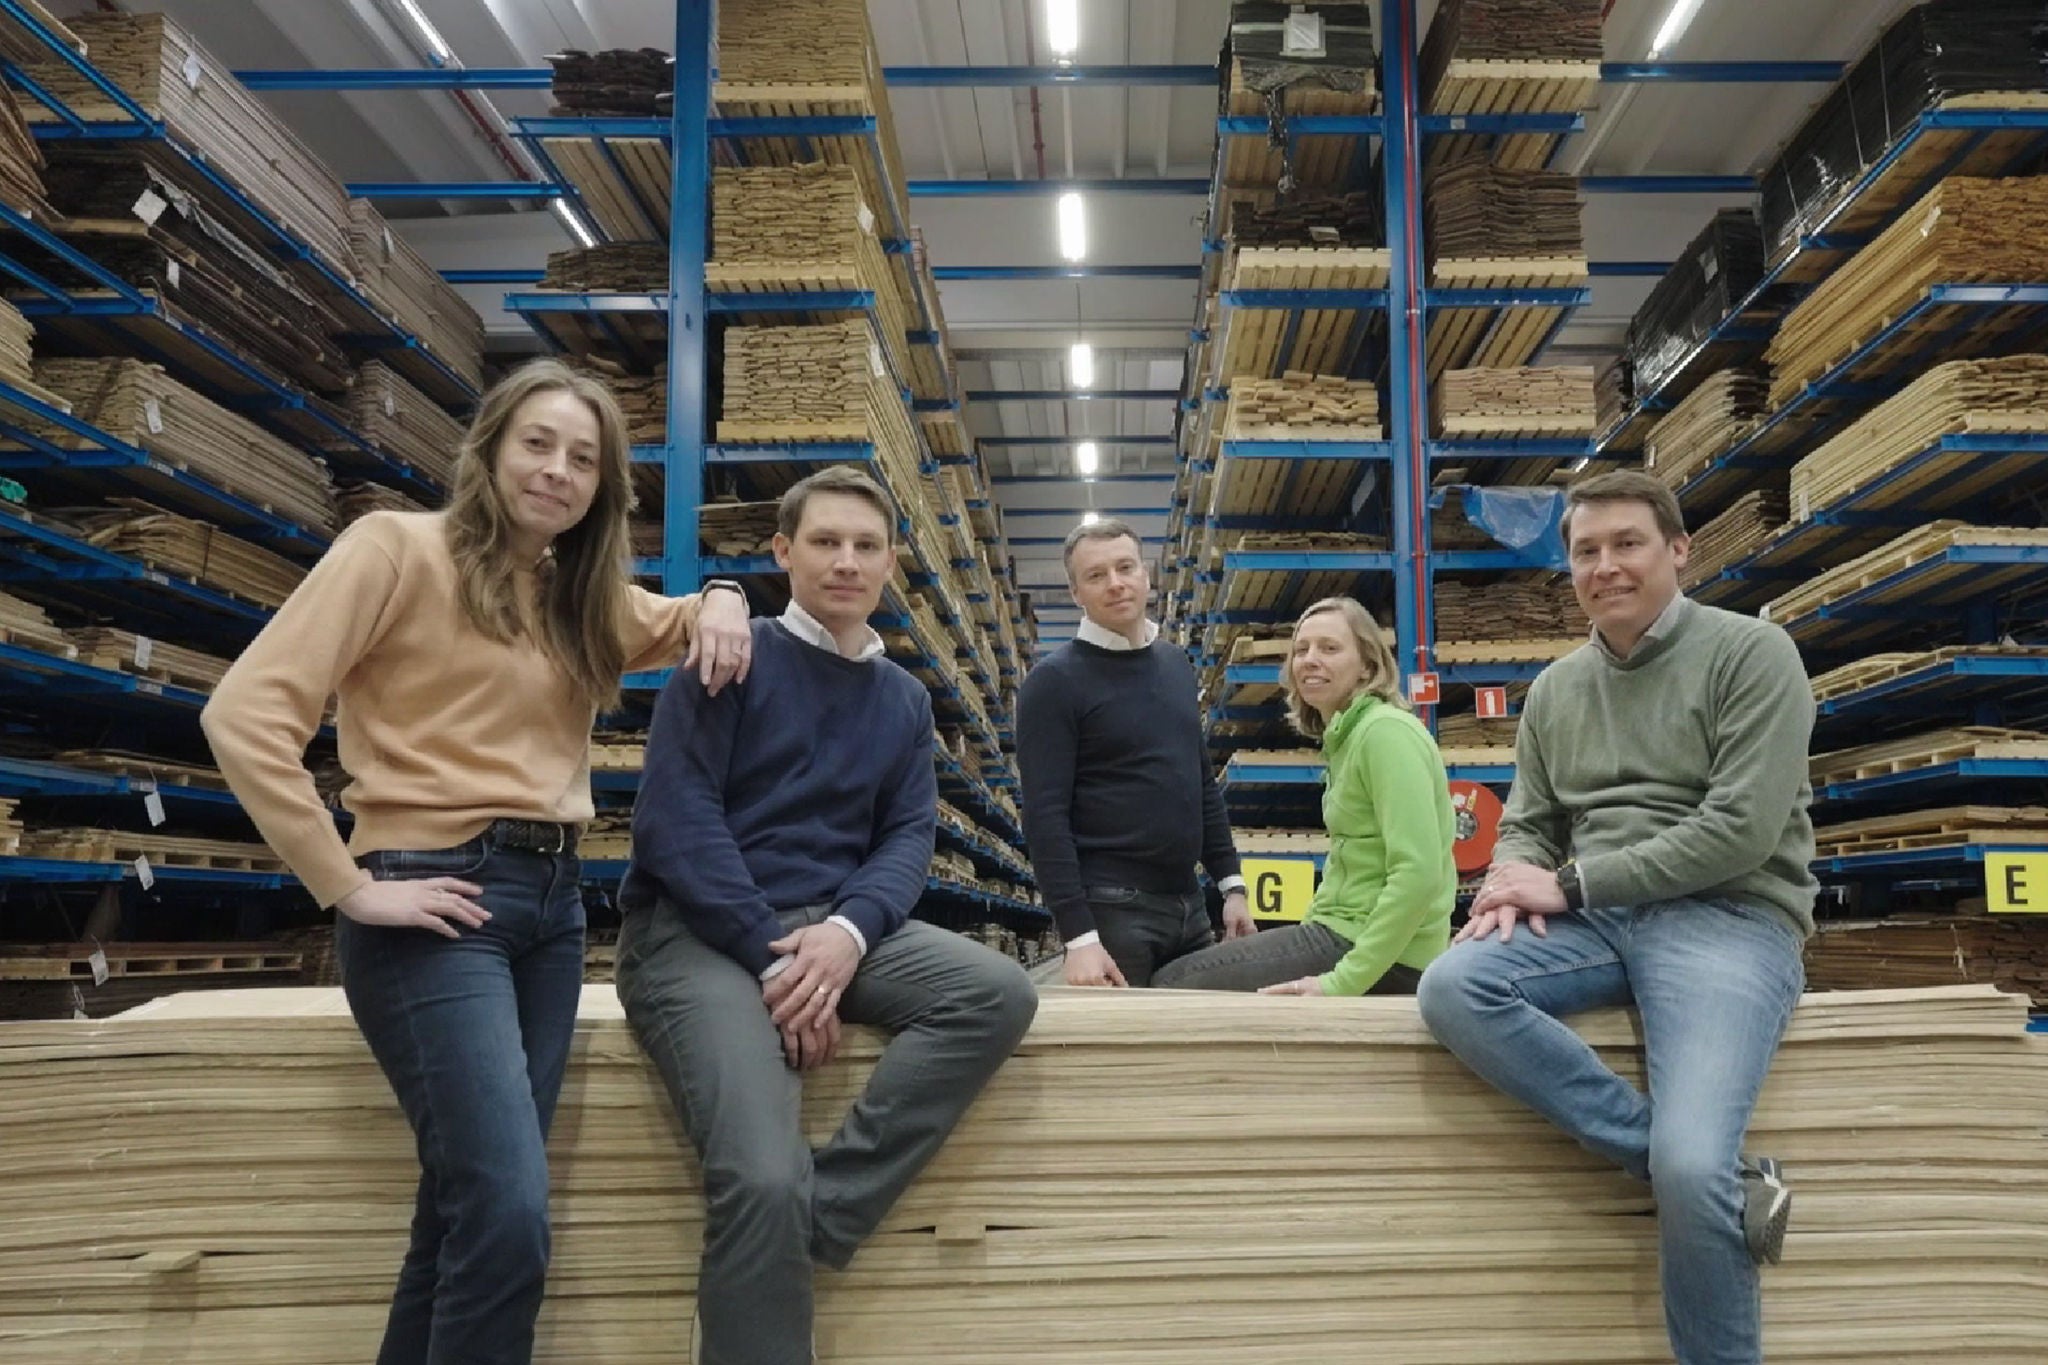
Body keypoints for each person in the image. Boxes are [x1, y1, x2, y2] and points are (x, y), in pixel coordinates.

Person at [201, 358, 753, 1365]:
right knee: (504, 1216)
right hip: (433, 896)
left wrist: (720, 590)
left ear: (602, 487)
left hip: (548, 911)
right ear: (490, 448)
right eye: (536, 444)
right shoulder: (393, 550)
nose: (556, 471)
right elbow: (244, 715)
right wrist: (346, 884)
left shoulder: (576, 595)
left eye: (583, 459)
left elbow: (676, 621)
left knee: (457, 1216)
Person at [614, 464, 1038, 1365]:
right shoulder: (732, 656)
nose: (846, 562)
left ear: (890, 563)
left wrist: (846, 937)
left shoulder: (904, 699)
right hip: (697, 931)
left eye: (866, 546)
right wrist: (778, 959)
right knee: (758, 1176)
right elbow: (674, 822)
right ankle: (774, 1232)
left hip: (824, 927)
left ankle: (819, 1213)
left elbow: (905, 841)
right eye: (824, 542)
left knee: (995, 992)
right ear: (782, 551)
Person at [1415, 470, 1815, 1365]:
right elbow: (1529, 816)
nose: (1606, 566)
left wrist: (1573, 884)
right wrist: (1510, 880)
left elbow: (1740, 832)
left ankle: (1695, 1180)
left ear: (1679, 550)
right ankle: (1720, 1182)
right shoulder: (1557, 689)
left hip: (1729, 916)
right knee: (1452, 987)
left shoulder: (1753, 655)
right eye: (1585, 551)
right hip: (1600, 918)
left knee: (1689, 1161)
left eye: (1627, 542)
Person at [1154, 596, 1455, 995]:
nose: (1310, 660)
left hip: (1383, 951)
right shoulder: (1346, 736)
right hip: (1346, 932)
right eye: (1301, 649)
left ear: (1368, 664)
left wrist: (1341, 983)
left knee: (1172, 983)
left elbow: (1418, 874)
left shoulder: (1385, 734)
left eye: (1330, 648)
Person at [1016, 517, 1252, 988]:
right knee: (1120, 1054)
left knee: (1192, 1048)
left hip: (1191, 905)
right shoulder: (1054, 683)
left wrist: (1232, 885)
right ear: (1075, 592)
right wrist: (1079, 936)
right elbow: (1045, 816)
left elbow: (1200, 783)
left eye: (1125, 567)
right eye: (1096, 575)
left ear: (1146, 575)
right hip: (1112, 911)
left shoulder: (1174, 664)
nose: (1116, 584)